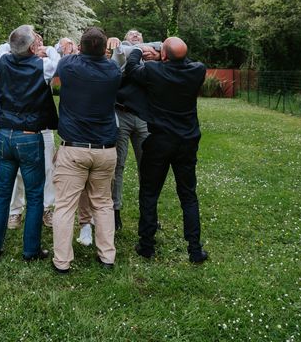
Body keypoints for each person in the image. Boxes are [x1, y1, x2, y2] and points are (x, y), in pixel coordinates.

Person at [123, 37, 208, 263]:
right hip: (187, 142)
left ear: (164, 56)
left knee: (150, 193)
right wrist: (163, 53)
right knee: (188, 195)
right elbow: (183, 59)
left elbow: (131, 68)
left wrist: (140, 50)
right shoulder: (198, 71)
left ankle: (147, 245)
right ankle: (195, 250)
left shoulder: (153, 71)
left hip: (159, 141)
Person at [0, 25, 59, 262]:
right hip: (28, 136)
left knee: (1, 194)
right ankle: (30, 251)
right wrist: (44, 47)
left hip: (4, 135)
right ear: (31, 46)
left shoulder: (2, 62)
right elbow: (57, 60)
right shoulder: (43, 66)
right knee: (35, 195)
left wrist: (18, 43)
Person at [52, 27, 121, 274]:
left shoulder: (69, 66)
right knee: (103, 204)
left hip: (74, 149)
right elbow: (115, 58)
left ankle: (62, 262)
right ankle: (107, 256)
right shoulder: (113, 70)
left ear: (80, 48)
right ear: (105, 50)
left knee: (65, 206)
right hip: (105, 150)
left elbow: (64, 55)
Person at [106, 29, 160, 230]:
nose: (136, 35)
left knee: (147, 167)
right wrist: (132, 47)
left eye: (139, 34)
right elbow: (121, 53)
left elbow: (165, 44)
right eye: (131, 33)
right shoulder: (119, 54)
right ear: (124, 39)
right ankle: (115, 211)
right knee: (117, 165)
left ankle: (149, 214)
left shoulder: (151, 57)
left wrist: (153, 50)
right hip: (121, 114)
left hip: (144, 118)